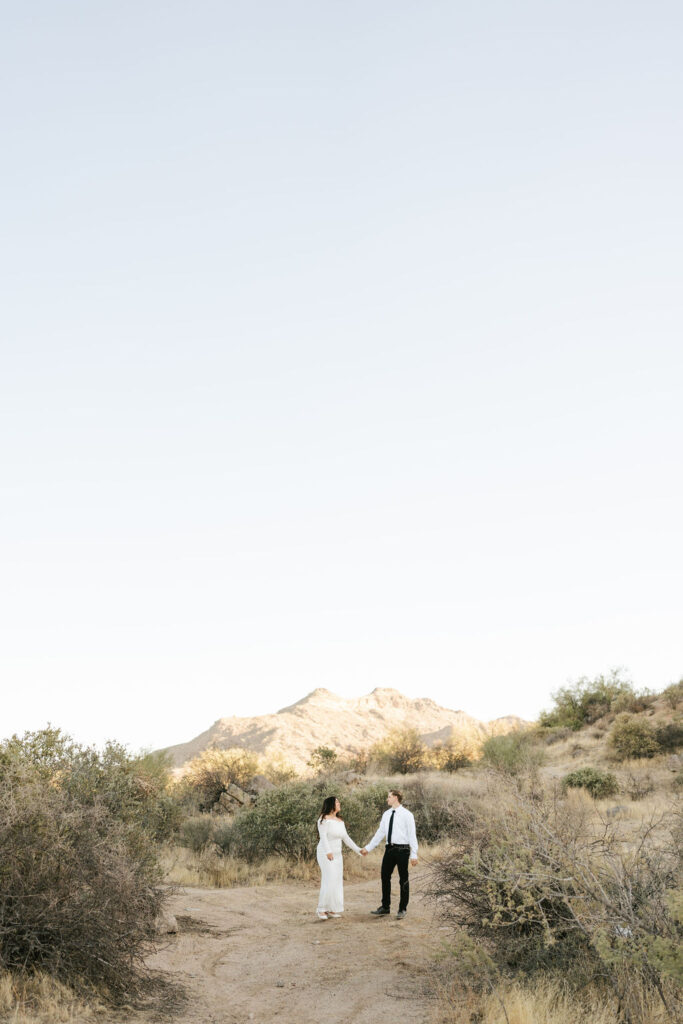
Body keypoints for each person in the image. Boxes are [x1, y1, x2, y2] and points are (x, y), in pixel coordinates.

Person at [361, 789, 418, 919]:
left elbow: (412, 835)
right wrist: (368, 848)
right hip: (389, 849)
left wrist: (414, 854)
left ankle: (402, 909)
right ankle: (385, 907)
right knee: (384, 876)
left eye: (389, 797)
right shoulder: (386, 814)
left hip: (403, 850)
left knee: (403, 879)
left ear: (396, 798)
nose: (387, 799)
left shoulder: (407, 815)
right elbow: (380, 833)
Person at [316, 795, 362, 920]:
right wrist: (328, 851)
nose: (339, 804)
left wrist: (358, 850)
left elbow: (346, 838)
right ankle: (321, 909)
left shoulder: (340, 821)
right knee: (328, 879)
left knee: (336, 880)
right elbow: (323, 837)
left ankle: (332, 909)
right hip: (325, 853)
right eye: (337, 802)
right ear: (331, 805)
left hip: (337, 854)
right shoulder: (323, 819)